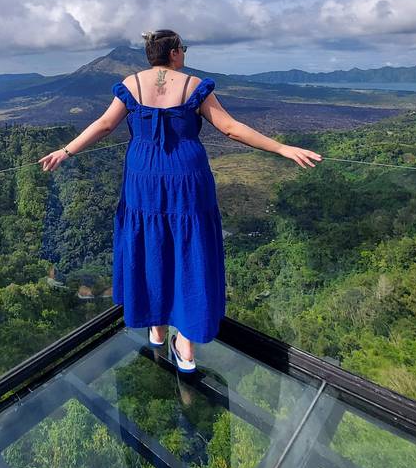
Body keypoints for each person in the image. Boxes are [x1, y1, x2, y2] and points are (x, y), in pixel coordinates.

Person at [38, 30, 322, 372]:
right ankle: (185, 344)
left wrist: (65, 151)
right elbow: (230, 128)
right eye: (182, 49)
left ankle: (155, 327)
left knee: (150, 245)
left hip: (142, 179)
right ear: (174, 53)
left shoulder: (131, 84)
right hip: (187, 178)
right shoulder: (193, 86)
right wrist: (282, 148)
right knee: (189, 249)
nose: (183, 54)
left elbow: (103, 126)